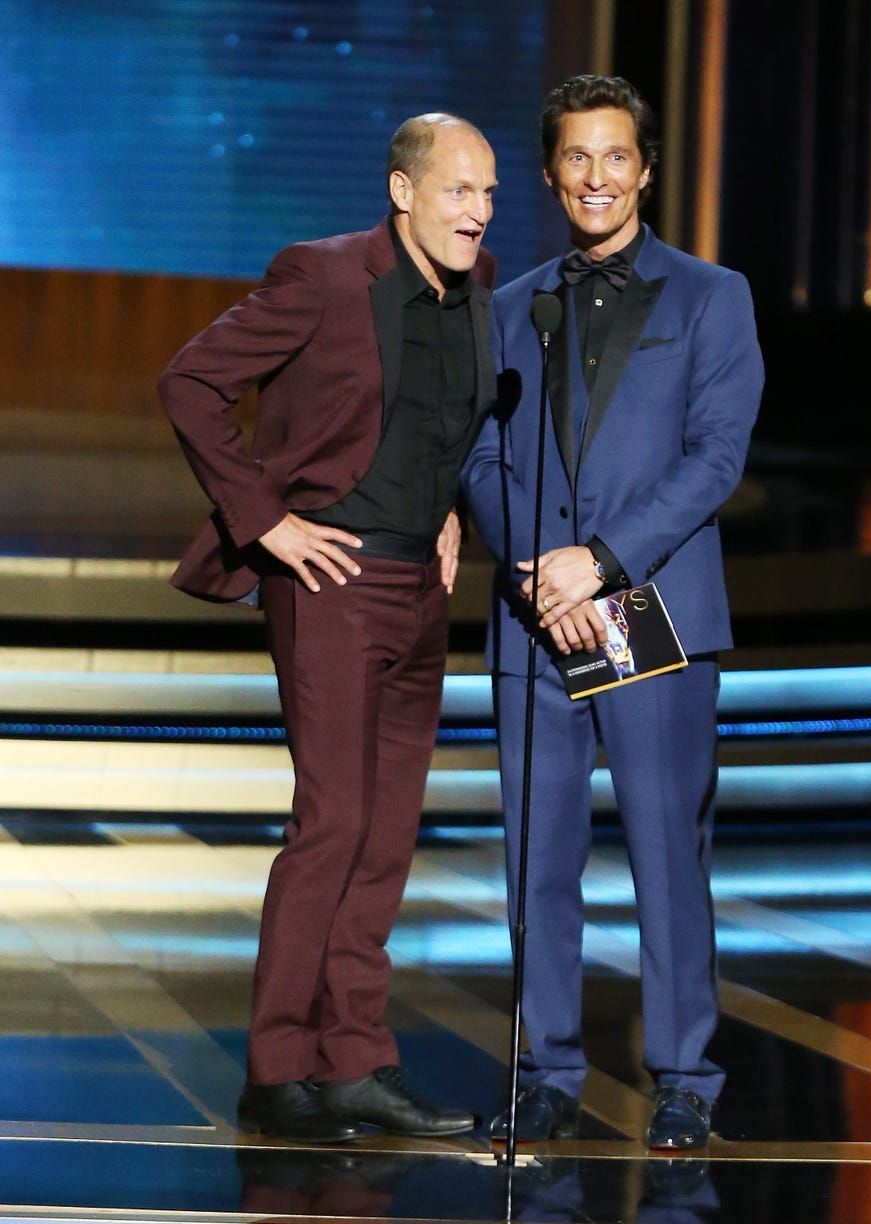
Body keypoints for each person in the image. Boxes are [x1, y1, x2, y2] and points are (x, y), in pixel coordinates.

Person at [159, 113, 498, 1143]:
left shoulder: (478, 292)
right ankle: (277, 1069)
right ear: (403, 193)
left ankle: (353, 1062)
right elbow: (191, 382)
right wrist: (267, 521)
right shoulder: (321, 275)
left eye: (488, 195)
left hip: (417, 587)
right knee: (334, 823)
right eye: (457, 191)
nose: (477, 213)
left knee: (389, 834)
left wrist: (443, 506)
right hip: (331, 577)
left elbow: (439, 422)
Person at [461, 75, 763, 1148]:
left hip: (651, 614)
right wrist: (543, 575)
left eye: (615, 157)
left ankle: (682, 1078)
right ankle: (542, 1071)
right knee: (534, 863)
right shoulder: (508, 304)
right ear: (550, 174)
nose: (596, 177)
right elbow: (481, 452)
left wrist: (598, 564)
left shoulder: (710, 295)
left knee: (662, 859)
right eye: (575, 159)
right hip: (535, 621)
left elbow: (714, 457)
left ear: (644, 169)